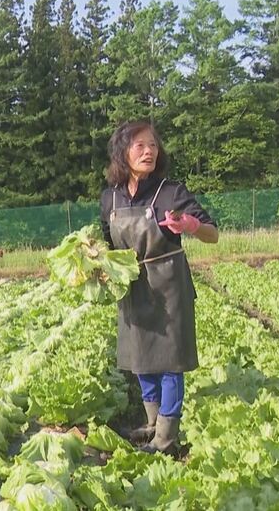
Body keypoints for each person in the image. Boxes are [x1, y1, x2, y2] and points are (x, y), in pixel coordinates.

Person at [99, 121, 218, 454]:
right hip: (133, 286)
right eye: (139, 146)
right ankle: (152, 424)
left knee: (169, 362)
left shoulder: (171, 192)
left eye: (152, 145)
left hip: (168, 288)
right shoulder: (110, 197)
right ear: (122, 153)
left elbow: (212, 232)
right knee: (140, 360)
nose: (149, 151)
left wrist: (189, 224)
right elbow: (108, 242)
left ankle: (167, 438)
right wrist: (96, 263)